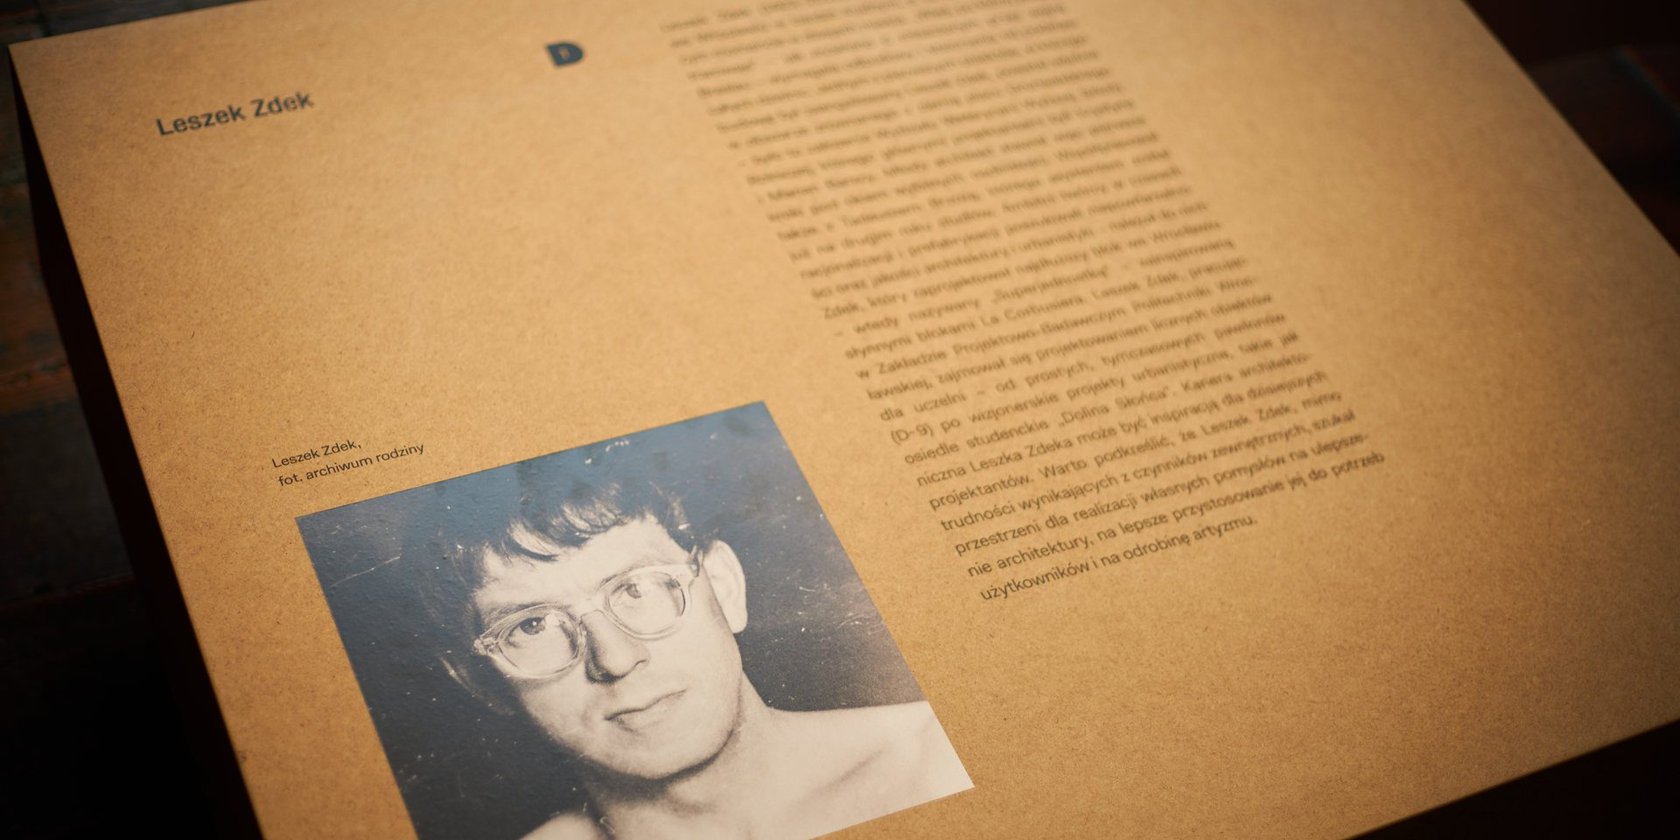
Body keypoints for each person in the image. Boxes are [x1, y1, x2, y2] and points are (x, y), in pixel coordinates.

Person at [414, 452, 969, 839]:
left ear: (724, 588)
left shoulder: (940, 760)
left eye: (637, 589)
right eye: (532, 626)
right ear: (480, 680)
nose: (615, 658)